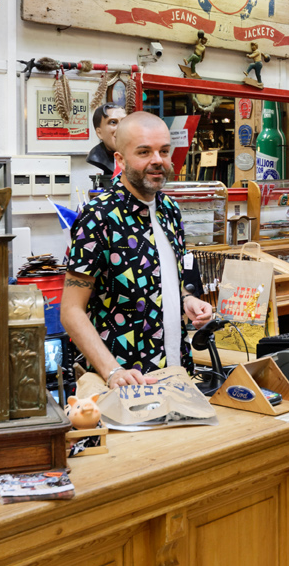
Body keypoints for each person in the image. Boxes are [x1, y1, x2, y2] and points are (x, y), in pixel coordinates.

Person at [61, 112, 216, 387]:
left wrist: (187, 301)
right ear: (120, 160)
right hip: (125, 382)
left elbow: (165, 281)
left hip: (176, 372)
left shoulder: (170, 210)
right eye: (144, 152)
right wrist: (112, 371)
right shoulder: (99, 217)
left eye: (164, 151)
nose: (157, 160)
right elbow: (71, 310)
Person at [86, 104, 126, 176]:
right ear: (99, 133)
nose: (121, 128)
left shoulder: (135, 154)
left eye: (124, 121)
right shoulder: (96, 157)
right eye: (113, 122)